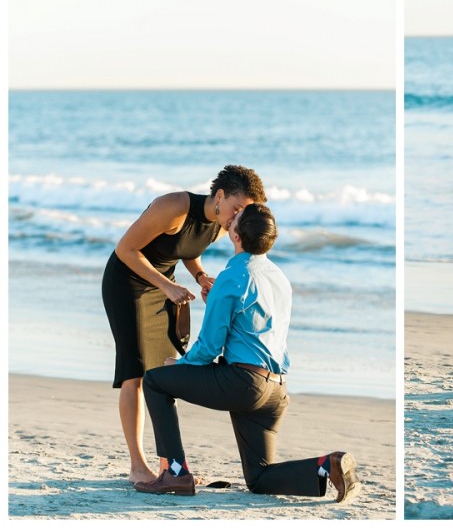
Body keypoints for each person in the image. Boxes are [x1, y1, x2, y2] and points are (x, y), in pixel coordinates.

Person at [133, 203, 361, 503]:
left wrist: (181, 364)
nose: (232, 216)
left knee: (154, 381)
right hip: (276, 390)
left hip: (243, 384)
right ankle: (326, 465)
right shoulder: (279, 277)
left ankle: (175, 472)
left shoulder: (233, 275)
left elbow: (210, 346)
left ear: (237, 236)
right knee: (259, 477)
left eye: (236, 218)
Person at [102, 165, 267, 484]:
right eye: (237, 208)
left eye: (245, 212)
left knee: (162, 374)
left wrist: (200, 276)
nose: (239, 219)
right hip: (128, 284)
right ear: (220, 196)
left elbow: (185, 249)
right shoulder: (174, 206)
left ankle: (170, 465)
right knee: (134, 374)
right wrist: (166, 285)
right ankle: (137, 465)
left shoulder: (221, 224)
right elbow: (126, 249)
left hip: (164, 284)